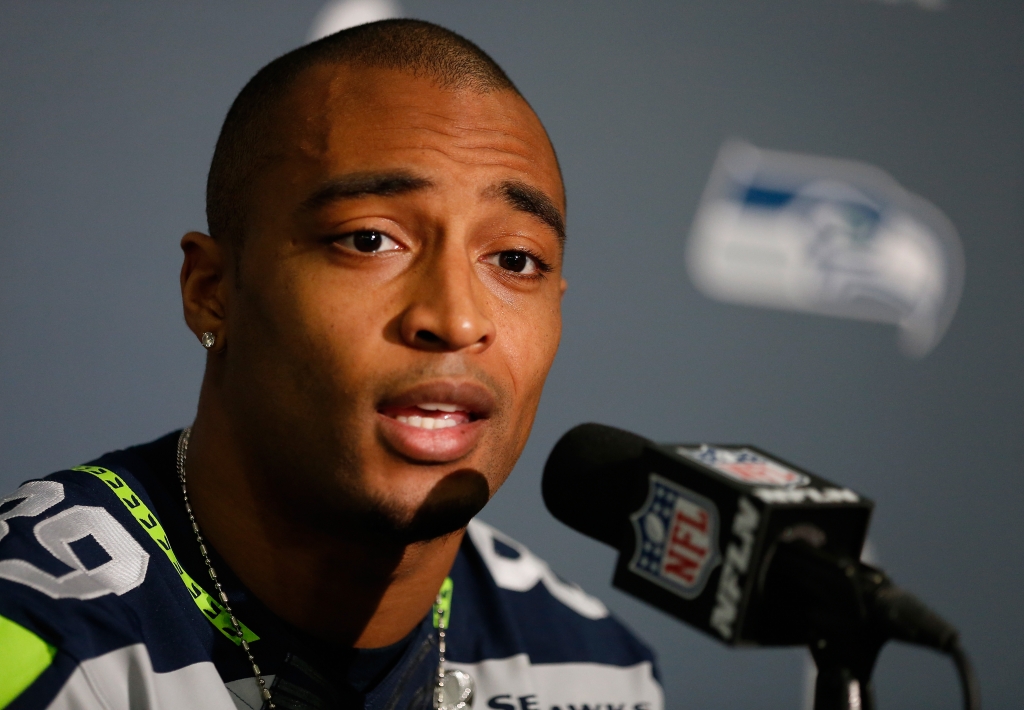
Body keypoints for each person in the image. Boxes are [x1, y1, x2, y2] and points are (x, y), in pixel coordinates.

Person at [0, 19, 662, 710]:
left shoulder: (596, 672)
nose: (458, 319)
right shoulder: (45, 647)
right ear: (212, 292)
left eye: (515, 260)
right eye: (371, 239)